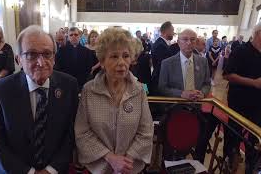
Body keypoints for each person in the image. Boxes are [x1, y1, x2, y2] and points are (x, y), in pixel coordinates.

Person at [0, 25, 79, 174]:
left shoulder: (69, 86)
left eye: (47, 54)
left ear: (54, 57)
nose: (41, 62)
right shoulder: (1, 91)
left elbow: (71, 134)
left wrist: (51, 170)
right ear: (18, 60)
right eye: (31, 55)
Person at [75, 27, 154, 174]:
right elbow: (82, 132)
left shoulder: (140, 90)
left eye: (126, 56)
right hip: (99, 167)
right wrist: (110, 158)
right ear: (102, 61)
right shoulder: (89, 90)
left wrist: (126, 161)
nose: (121, 62)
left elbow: (146, 131)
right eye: (114, 56)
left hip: (130, 168)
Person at [158, 29, 212, 163]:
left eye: (193, 39)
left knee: (190, 143)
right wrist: (181, 93)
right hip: (174, 112)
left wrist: (203, 93)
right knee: (171, 147)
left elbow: (206, 83)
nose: (189, 43)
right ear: (178, 42)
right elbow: (162, 88)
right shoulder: (167, 63)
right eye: (185, 39)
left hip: (195, 111)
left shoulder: (203, 62)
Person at [223, 22, 261, 174]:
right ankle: (228, 161)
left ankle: (251, 166)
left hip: (258, 105)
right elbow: (227, 75)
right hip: (239, 103)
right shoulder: (240, 50)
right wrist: (253, 83)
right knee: (233, 135)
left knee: (256, 138)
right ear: (258, 33)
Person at [150, 21, 175, 95]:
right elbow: (162, 65)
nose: (173, 33)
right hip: (160, 80)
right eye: (172, 31)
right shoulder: (161, 45)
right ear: (167, 31)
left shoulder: (162, 43)